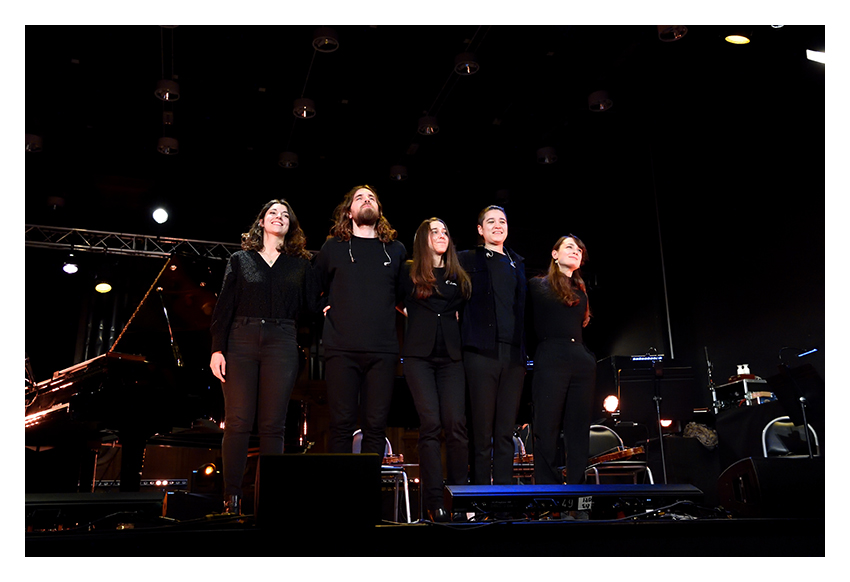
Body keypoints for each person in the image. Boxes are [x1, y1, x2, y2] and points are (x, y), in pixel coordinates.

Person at [209, 199, 314, 515]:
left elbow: (310, 309)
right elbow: (223, 307)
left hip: (282, 341)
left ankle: (268, 501)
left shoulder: (301, 265)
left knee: (273, 425)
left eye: (285, 215)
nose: (279, 217)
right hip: (241, 339)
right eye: (273, 213)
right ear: (261, 223)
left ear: (290, 227)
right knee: (238, 422)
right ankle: (231, 499)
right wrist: (217, 348)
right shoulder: (240, 260)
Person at [312, 184, 407, 456]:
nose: (367, 201)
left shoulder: (396, 249)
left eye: (372, 198)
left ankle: (367, 496)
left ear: (378, 210)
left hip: (383, 351)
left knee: (376, 426)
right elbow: (312, 286)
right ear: (349, 212)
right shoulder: (333, 248)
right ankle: (341, 496)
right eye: (360, 198)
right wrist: (323, 305)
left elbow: (402, 294)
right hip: (341, 349)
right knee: (341, 425)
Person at [401, 218, 471, 521]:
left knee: (456, 424)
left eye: (445, 231)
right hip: (419, 357)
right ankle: (434, 500)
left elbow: (467, 309)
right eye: (435, 231)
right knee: (430, 424)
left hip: (452, 359)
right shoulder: (409, 272)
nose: (442, 235)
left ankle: (460, 496)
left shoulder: (458, 276)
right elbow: (394, 300)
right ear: (422, 239)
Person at [458, 205, 527, 485]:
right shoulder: (467, 259)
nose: (497, 225)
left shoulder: (517, 263)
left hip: (513, 355)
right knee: (481, 429)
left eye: (502, 221)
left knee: (505, 432)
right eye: (491, 221)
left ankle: (504, 498)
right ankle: (479, 498)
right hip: (481, 353)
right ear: (480, 229)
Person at [528, 234, 595, 489]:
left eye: (579, 249)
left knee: (578, 431)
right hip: (551, 356)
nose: (576, 251)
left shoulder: (582, 293)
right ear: (555, 254)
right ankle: (549, 494)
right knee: (546, 429)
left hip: (579, 359)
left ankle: (578, 497)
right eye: (569, 247)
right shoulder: (537, 285)